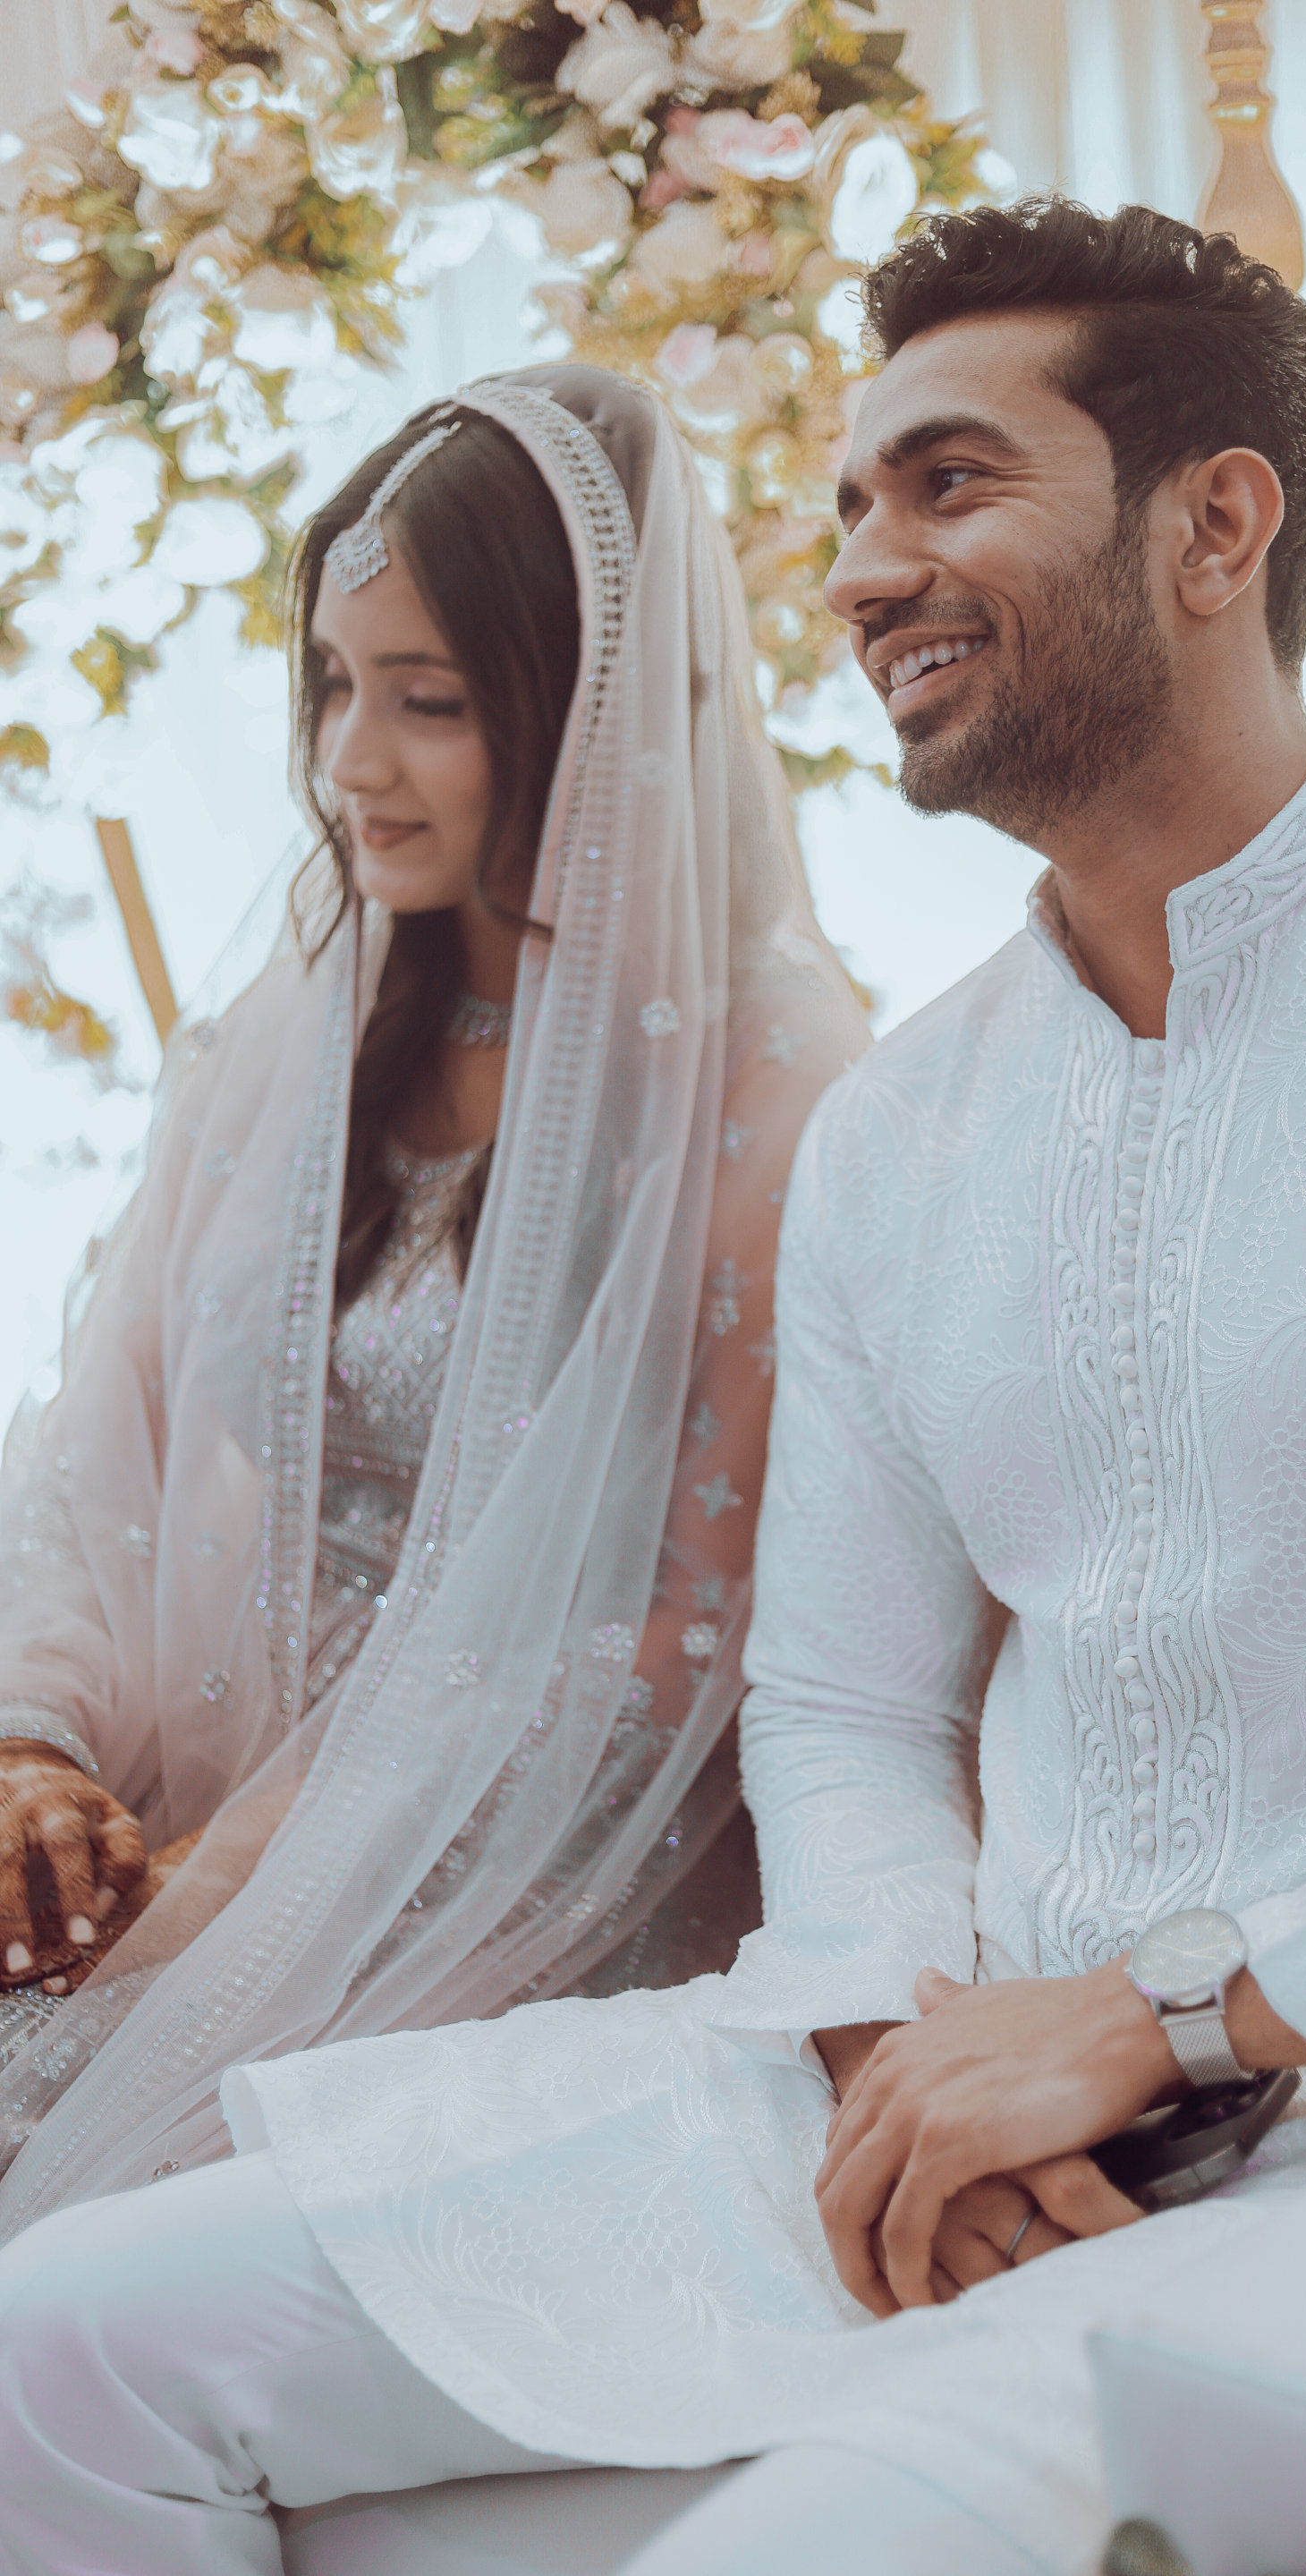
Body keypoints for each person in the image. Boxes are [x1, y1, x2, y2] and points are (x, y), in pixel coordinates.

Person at [4, 197, 1306, 2576]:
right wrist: (893, 2033)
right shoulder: (907, 1131)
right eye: (844, 511)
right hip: (905, 2096)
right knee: (56, 2348)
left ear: (1219, 522)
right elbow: (835, 1706)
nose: (860, 572)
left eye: (947, 484)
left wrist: (1180, 2016)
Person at [0, 363, 864, 2232]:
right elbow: (100, 1443)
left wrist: (240, 1892)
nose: (349, 764)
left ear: (587, 711)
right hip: (173, 1811)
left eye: (429, 704)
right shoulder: (289, 1037)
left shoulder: (775, 1094)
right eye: (331, 685)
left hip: (501, 1878)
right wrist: (38, 1750)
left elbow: (674, 1647)